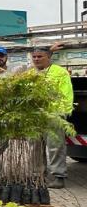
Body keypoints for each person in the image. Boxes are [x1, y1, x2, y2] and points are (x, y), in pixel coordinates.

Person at [31, 45, 74, 189]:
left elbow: (66, 94)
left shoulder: (60, 72)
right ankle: (38, 175)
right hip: (34, 116)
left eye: (40, 56)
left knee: (55, 146)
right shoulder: (30, 73)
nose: (36, 59)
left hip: (53, 115)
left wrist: (61, 114)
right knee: (35, 147)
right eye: (34, 57)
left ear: (48, 57)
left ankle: (58, 177)